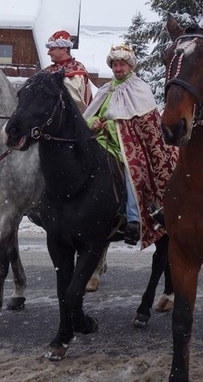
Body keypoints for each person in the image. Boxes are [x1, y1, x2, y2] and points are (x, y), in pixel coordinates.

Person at [83, 44, 177, 247]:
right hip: (99, 141)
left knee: (131, 171)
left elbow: (144, 125)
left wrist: (110, 125)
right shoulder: (105, 90)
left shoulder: (139, 89)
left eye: (122, 65)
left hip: (126, 145)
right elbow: (90, 117)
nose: (118, 69)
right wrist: (94, 123)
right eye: (115, 64)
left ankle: (134, 220)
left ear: (130, 66)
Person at [42, 30, 92, 113]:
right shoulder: (47, 71)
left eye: (52, 49)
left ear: (64, 50)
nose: (48, 53)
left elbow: (78, 105)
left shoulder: (76, 71)